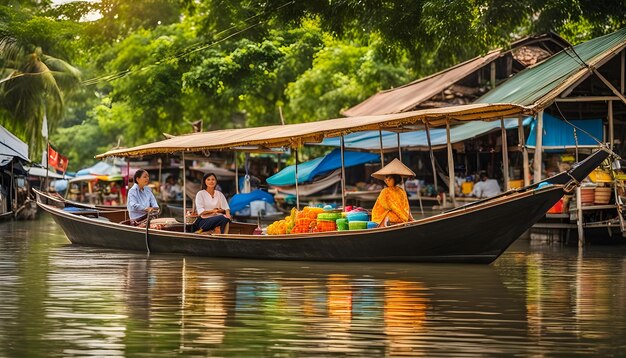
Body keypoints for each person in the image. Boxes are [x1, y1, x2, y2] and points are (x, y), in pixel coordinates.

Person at [370, 158, 415, 226]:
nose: (387, 180)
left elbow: (406, 207)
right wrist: (398, 212)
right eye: (386, 178)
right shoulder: (385, 191)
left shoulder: (401, 191)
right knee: (391, 217)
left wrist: (410, 218)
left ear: (396, 179)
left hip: (401, 216)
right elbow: (386, 206)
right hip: (384, 216)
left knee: (403, 218)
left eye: (390, 178)